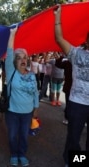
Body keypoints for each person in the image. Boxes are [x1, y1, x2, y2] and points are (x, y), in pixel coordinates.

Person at [54, 4, 89, 166]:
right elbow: (59, 39)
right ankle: (73, 160)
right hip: (77, 103)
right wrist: (57, 16)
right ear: (87, 40)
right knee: (74, 137)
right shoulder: (76, 53)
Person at [5, 26, 39, 167]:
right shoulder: (11, 72)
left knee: (24, 136)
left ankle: (22, 154)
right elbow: (9, 52)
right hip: (12, 112)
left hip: (27, 113)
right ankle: (14, 154)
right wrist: (13, 34)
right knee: (13, 136)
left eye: (25, 57)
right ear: (14, 61)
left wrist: (36, 108)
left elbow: (36, 92)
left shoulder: (32, 75)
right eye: (19, 58)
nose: (22, 60)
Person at [55, 55, 72, 125]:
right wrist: (62, 56)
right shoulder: (68, 62)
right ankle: (67, 118)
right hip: (69, 87)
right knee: (69, 104)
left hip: (80, 89)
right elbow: (58, 64)